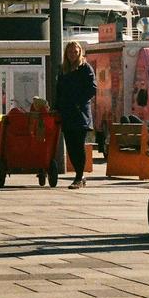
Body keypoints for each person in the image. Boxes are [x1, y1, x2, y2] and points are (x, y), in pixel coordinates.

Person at [54, 40, 97, 189]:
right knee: (71, 146)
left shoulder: (85, 68)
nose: (73, 54)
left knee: (78, 145)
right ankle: (80, 175)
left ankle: (79, 176)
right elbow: (59, 90)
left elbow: (92, 88)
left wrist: (79, 102)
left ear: (80, 52)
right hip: (66, 112)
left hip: (80, 113)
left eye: (75, 52)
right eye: (70, 52)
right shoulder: (63, 69)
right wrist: (56, 107)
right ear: (66, 53)